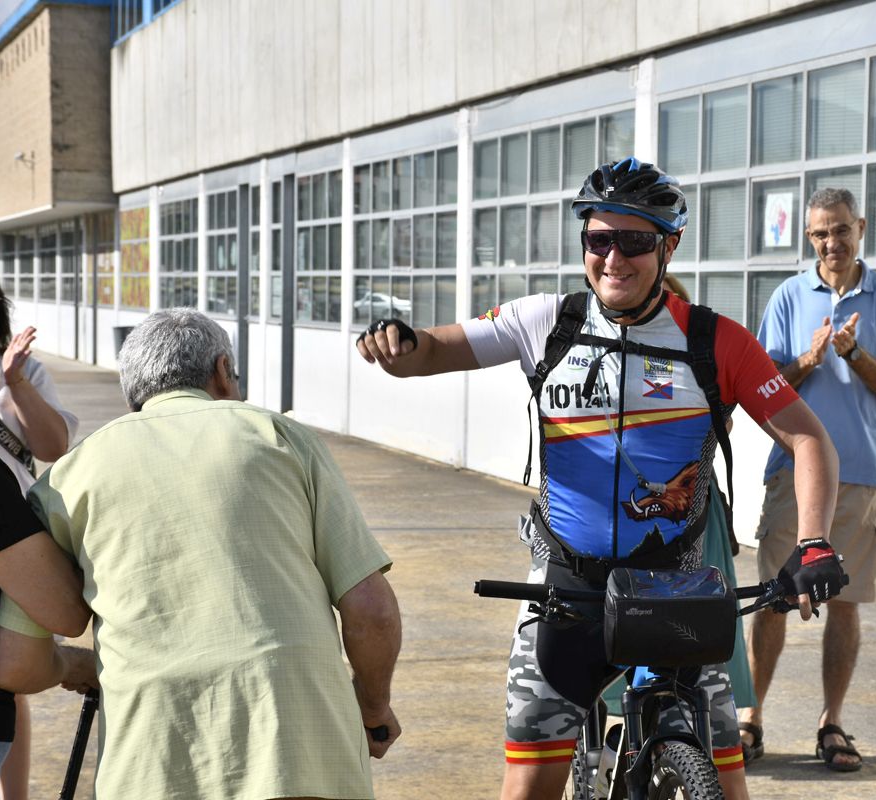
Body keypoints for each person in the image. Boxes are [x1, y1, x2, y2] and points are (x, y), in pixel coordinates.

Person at [356, 157, 842, 800]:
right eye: (598, 239)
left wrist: (813, 541)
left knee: (726, 790)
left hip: (676, 587)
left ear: (669, 245)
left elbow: (808, 438)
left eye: (636, 240)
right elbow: (436, 348)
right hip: (567, 586)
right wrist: (398, 342)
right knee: (528, 786)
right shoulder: (548, 323)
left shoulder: (715, 341)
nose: (614, 257)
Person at [0, 308, 402, 800]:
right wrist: (372, 706)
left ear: (132, 391)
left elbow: (15, 666)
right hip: (304, 751)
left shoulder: (69, 478)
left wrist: (72, 666)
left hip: (150, 764)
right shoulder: (282, 438)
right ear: (223, 372)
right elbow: (371, 612)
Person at [740, 187, 876, 770]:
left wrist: (856, 355)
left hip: (859, 474)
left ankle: (831, 723)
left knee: (844, 605)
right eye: (819, 233)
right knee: (772, 599)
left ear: (860, 227)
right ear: (808, 236)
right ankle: (751, 717)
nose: (831, 242)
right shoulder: (789, 296)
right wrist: (810, 360)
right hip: (793, 469)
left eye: (841, 230)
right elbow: (761, 390)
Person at [0, 260, 79, 800]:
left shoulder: (25, 371)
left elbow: (53, 447)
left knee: (8, 678)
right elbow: (69, 611)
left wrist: (14, 380)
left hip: (14, 546)